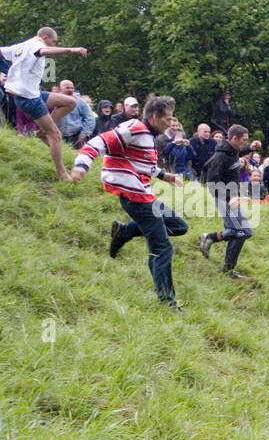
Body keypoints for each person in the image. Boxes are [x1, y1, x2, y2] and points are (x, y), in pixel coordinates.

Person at [69, 94, 189, 310]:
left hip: (144, 195)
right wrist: (81, 165)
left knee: (179, 226)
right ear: (154, 116)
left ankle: (124, 232)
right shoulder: (134, 128)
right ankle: (167, 303)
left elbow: (142, 163)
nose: (170, 123)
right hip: (135, 198)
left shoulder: (148, 136)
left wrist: (165, 176)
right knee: (162, 249)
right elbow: (99, 141)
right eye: (167, 118)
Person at [0, 27, 88, 180]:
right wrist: (71, 50)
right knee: (55, 135)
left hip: (34, 93)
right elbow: (43, 52)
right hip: (28, 98)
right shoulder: (36, 45)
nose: (53, 44)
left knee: (70, 102)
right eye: (54, 42)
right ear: (46, 37)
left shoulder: (21, 46)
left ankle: (41, 132)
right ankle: (62, 175)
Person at [196, 124, 256, 279]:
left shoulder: (233, 150)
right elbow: (211, 183)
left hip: (233, 198)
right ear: (234, 138)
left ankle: (228, 270)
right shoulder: (220, 156)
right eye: (243, 140)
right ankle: (209, 237)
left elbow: (241, 150)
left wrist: (251, 147)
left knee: (239, 232)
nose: (244, 143)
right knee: (244, 231)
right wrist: (230, 198)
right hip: (224, 199)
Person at [55, 80, 95, 147]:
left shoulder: (80, 102)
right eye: (67, 88)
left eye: (72, 88)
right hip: (57, 136)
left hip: (76, 136)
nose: (70, 90)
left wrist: (84, 134)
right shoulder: (54, 100)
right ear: (60, 89)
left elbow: (90, 118)